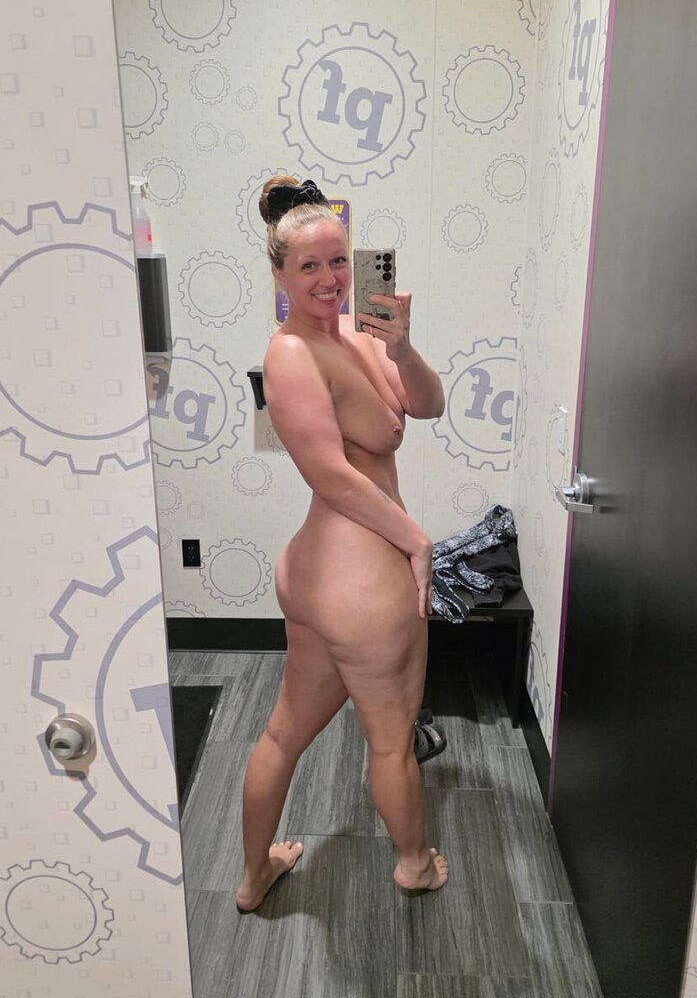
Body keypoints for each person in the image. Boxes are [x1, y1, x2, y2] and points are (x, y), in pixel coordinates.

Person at [235, 176, 449, 913]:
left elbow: (426, 404)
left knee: (286, 730)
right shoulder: (292, 354)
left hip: (319, 577)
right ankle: (414, 865)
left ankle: (255, 874)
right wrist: (415, 540)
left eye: (337, 260)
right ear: (278, 274)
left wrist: (405, 347)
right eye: (309, 266)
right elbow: (328, 474)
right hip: (359, 583)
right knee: (389, 741)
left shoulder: (358, 334)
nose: (328, 279)